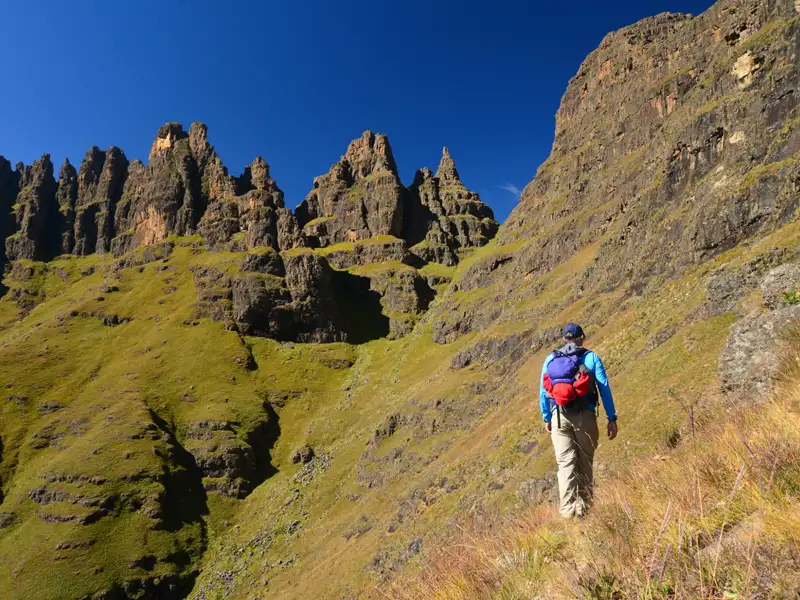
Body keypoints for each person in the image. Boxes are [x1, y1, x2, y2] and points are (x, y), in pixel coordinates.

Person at [539, 323, 618, 518]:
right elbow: (604, 388)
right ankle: (585, 510)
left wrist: (547, 417)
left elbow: (543, 391)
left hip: (559, 416)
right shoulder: (591, 358)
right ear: (582, 337)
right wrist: (611, 417)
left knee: (565, 464)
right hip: (585, 417)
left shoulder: (551, 359)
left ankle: (567, 513)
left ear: (565, 339)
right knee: (585, 462)